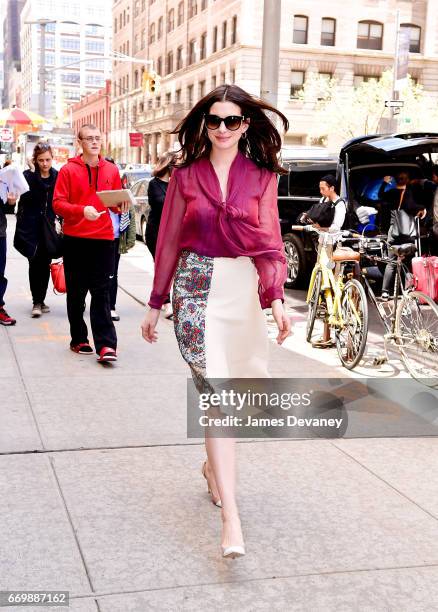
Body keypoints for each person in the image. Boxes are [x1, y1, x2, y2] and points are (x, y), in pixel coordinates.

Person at [141, 84, 291, 559]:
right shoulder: (185, 176)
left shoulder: (262, 176)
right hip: (194, 288)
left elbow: (269, 241)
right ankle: (232, 517)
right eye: (214, 120)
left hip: (240, 290)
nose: (222, 129)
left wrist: (276, 298)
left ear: (246, 124)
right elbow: (167, 242)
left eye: (232, 120)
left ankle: (211, 469)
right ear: (204, 124)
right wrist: (154, 302)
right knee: (216, 399)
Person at [53, 124, 129, 362]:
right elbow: (57, 204)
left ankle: (106, 345)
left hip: (104, 239)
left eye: (98, 138)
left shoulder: (112, 169)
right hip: (76, 239)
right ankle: (79, 339)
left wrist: (121, 205)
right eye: (90, 138)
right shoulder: (68, 170)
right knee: (76, 293)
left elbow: (115, 202)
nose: (95, 142)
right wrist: (80, 211)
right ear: (80, 142)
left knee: (101, 292)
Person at [301, 175, 346, 348]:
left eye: (323, 188)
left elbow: (336, 227)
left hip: (332, 246)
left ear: (332, 188)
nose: (321, 192)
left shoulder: (339, 204)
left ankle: (333, 322)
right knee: (324, 278)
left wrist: (320, 228)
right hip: (322, 244)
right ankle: (326, 322)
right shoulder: (323, 200)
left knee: (334, 280)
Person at [14, 143, 58, 317]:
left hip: (48, 228)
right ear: (35, 160)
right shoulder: (28, 176)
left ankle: (41, 299)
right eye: (41, 160)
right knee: (34, 263)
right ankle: (36, 301)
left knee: (46, 264)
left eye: (47, 159)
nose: (45, 164)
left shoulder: (56, 176)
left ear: (52, 158)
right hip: (31, 228)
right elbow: (28, 198)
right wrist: (33, 174)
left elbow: (56, 198)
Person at [378, 171, 427, 301]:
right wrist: (422, 209)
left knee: (391, 262)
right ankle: (408, 290)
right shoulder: (409, 194)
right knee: (409, 261)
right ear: (408, 180)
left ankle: (384, 292)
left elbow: (380, 196)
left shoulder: (390, 193)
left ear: (396, 181)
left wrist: (384, 183)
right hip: (407, 234)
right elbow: (411, 207)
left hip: (393, 233)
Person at [145, 151, 178, 319]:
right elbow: (160, 204)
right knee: (161, 266)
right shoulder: (154, 184)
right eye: (177, 165)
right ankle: (165, 303)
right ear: (169, 166)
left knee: (172, 268)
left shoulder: (176, 185)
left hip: (172, 233)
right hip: (156, 232)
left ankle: (164, 299)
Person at [104, 157, 136, 322]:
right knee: (95, 274)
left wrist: (128, 239)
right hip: (97, 236)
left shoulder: (122, 192)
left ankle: (111, 307)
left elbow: (130, 217)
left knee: (112, 274)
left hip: (115, 237)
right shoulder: (97, 189)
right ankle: (98, 304)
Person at [0, 173, 17, 325]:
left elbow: (6, 208)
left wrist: (11, 203)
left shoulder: (2, 177)